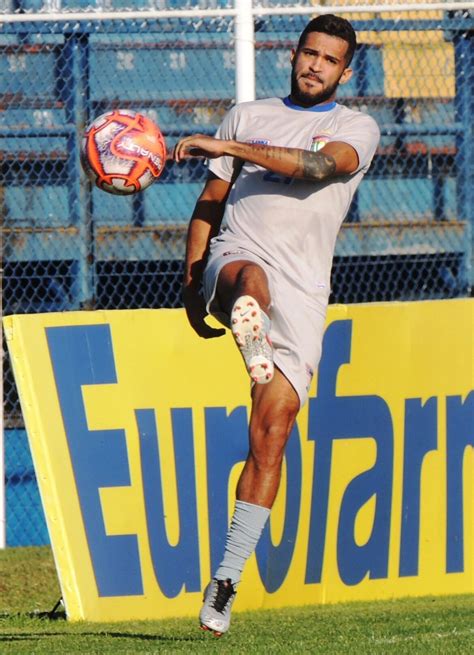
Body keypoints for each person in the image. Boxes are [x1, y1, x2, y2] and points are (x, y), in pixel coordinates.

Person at [173, 13, 380, 636]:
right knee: (248, 283)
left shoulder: (355, 128)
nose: (315, 65)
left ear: (346, 71)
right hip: (239, 258)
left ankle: (225, 583)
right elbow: (211, 203)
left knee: (273, 432)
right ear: (293, 55)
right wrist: (191, 278)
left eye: (329, 60)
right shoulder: (248, 113)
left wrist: (229, 149)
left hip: (306, 289)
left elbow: (318, 168)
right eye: (307, 53)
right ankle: (247, 316)